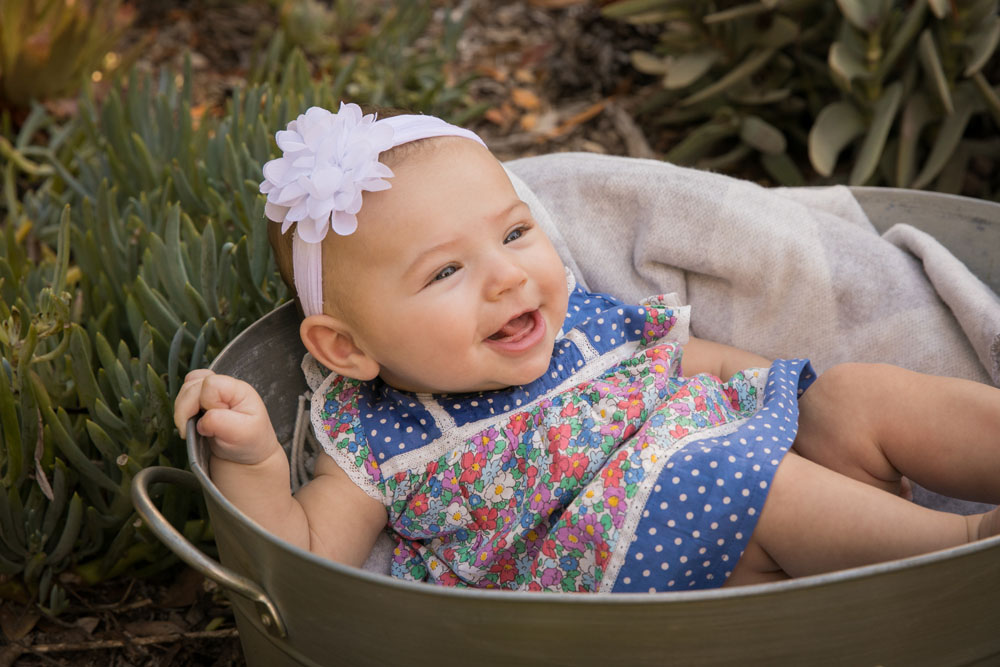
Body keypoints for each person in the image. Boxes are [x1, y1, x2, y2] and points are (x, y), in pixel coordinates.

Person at [173, 103, 1000, 592]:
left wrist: (801, 402)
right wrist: (249, 456)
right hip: (672, 560)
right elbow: (307, 561)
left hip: (772, 469)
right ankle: (963, 562)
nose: (508, 277)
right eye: (448, 271)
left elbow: (693, 361)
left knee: (858, 394)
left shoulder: (579, 324)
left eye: (516, 232)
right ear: (345, 347)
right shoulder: (378, 439)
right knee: (715, 472)